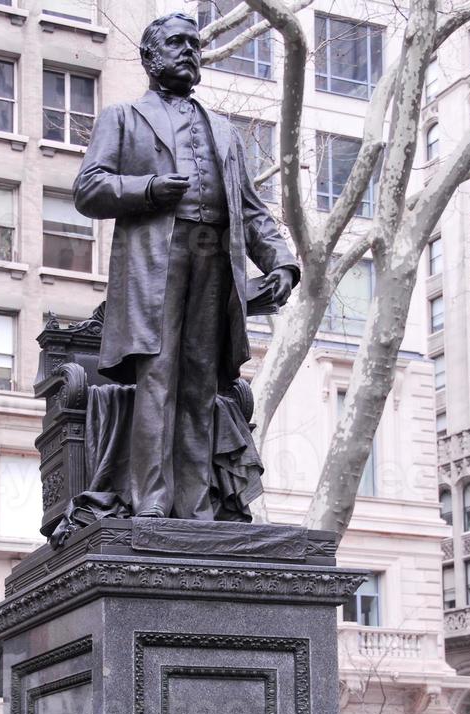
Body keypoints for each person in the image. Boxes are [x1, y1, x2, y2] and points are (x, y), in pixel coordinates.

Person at [74, 12, 299, 520]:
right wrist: (148, 189)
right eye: (177, 43)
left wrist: (280, 261)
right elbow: (89, 189)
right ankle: (151, 502)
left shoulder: (225, 132)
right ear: (150, 57)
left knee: (202, 382)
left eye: (195, 45)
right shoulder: (124, 116)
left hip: (215, 259)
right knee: (159, 377)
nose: (189, 52)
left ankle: (196, 506)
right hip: (157, 261)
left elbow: (252, 207)